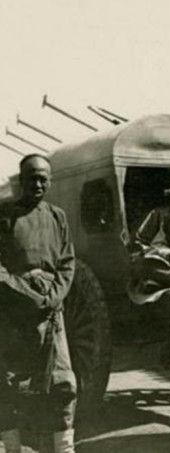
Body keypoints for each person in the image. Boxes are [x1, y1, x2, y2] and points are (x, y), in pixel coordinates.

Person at [0, 154, 76, 453]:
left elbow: (68, 262)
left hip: (50, 313)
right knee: (7, 382)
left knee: (62, 382)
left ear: (50, 180)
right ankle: (11, 445)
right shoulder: (3, 215)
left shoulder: (58, 216)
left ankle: (64, 446)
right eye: (32, 177)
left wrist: (53, 296)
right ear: (21, 179)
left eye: (44, 177)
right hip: (12, 312)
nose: (38, 183)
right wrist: (25, 293)